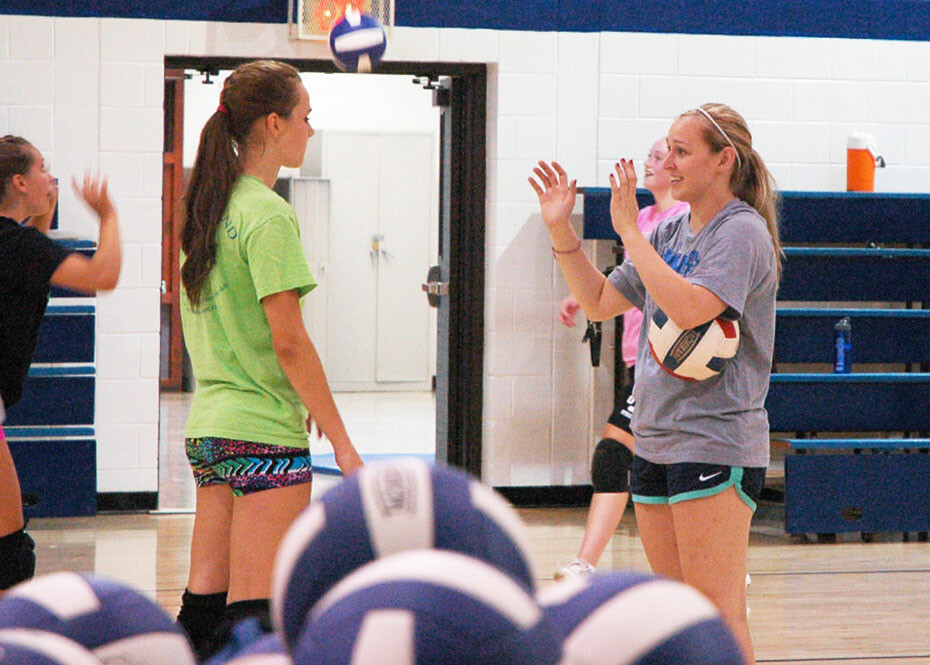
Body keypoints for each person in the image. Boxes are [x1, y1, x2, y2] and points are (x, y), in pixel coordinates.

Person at [529, 103, 780, 664]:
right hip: (656, 436)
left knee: (716, 608)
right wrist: (560, 229)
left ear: (724, 161)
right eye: (667, 148)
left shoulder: (740, 233)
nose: (667, 161)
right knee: (676, 610)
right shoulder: (667, 228)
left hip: (715, 439)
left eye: (682, 150)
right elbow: (597, 302)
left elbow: (693, 311)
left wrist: (629, 234)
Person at [175, 60, 363, 658]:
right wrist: (342, 439)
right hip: (260, 433)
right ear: (275, 124)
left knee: (204, 601)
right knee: (257, 613)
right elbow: (288, 340)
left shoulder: (208, 207)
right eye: (306, 117)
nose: (312, 129)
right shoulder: (267, 213)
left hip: (210, 428)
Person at [554, 138, 688, 581]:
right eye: (650, 155)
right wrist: (587, 297)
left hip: (671, 361)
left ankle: (586, 563)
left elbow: (666, 282)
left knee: (613, 453)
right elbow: (634, 281)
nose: (651, 163)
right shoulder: (645, 218)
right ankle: (715, 561)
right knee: (665, 465)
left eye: (661, 156)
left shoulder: (684, 222)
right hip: (639, 360)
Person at [0, 135, 121, 591]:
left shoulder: (15, 244)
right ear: (19, 182)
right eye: (42, 169)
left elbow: (34, 251)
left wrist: (44, 211)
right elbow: (101, 275)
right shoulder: (14, 244)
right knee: (9, 554)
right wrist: (107, 215)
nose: (50, 177)